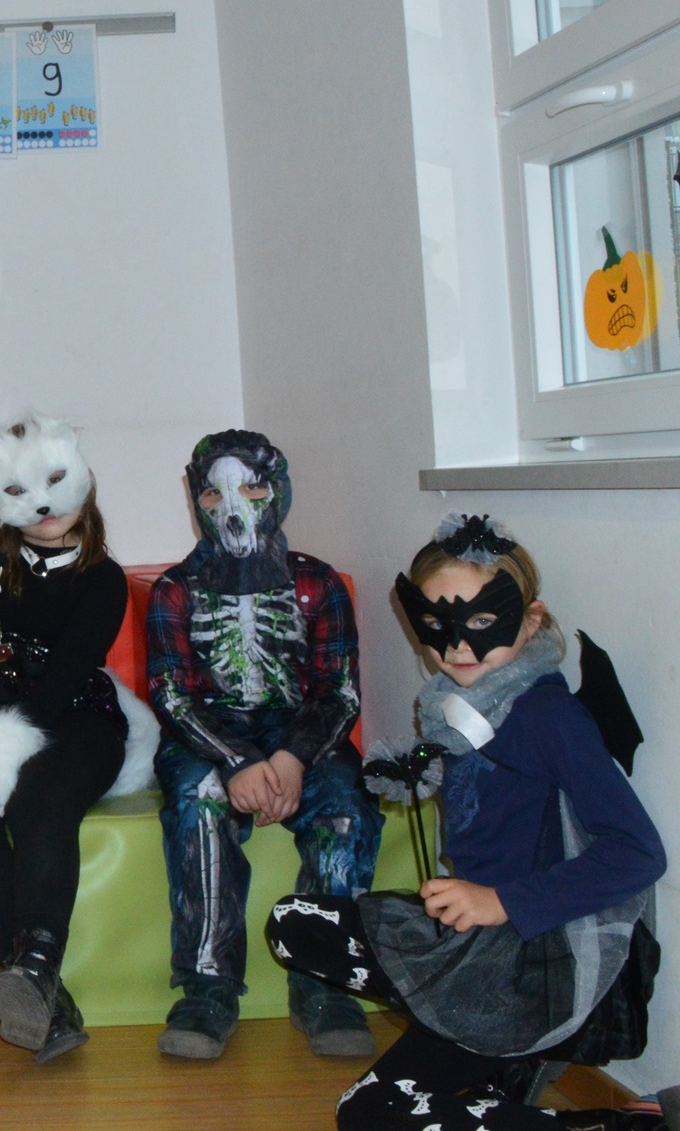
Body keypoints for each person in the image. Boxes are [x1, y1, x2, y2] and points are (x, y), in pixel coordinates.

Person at [265, 515, 667, 1131]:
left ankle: (614, 1124)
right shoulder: (464, 705)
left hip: (533, 966)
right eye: (437, 626)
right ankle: (489, 1066)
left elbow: (639, 854)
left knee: (370, 1114)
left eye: (481, 624)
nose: (457, 647)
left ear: (530, 620)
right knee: (293, 923)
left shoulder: (547, 717)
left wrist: (501, 901)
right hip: (473, 937)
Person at [148, 429, 383, 1059]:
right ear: (196, 500)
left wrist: (292, 757)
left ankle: (326, 978)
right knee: (200, 799)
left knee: (344, 804)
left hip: (300, 730)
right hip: (207, 733)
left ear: (278, 490)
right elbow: (172, 696)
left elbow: (339, 693)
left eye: (252, 488)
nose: (233, 508)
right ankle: (207, 984)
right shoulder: (175, 589)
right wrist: (235, 759)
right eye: (213, 493)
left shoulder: (318, 583)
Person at [0, 414, 147, 1064]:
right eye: (21, 491)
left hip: (74, 719)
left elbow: (67, 677)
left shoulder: (103, 577)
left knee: (41, 795)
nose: (43, 506)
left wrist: (2, 752)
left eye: (54, 482)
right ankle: (43, 998)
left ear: (83, 480)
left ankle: (36, 966)